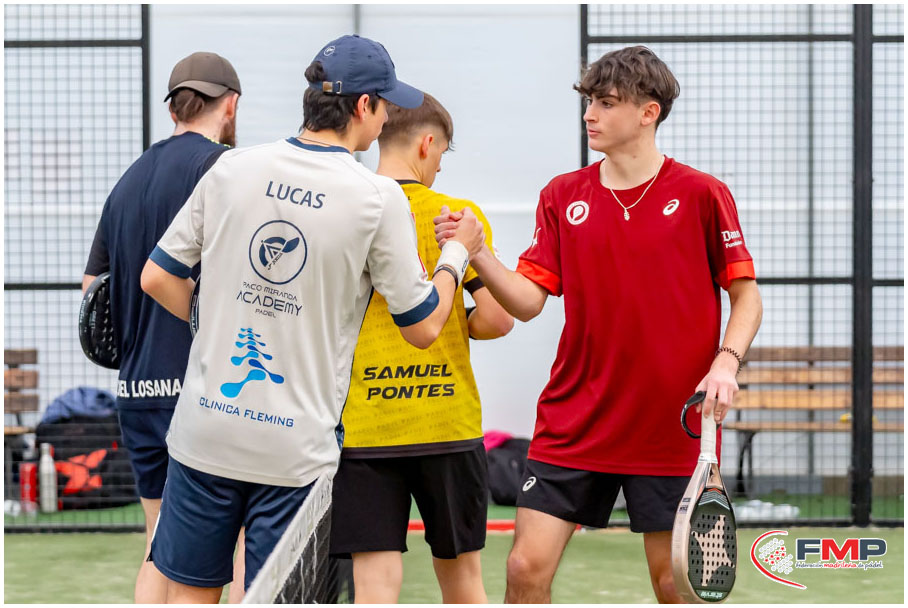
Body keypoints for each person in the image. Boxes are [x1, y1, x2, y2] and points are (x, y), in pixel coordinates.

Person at [139, 34, 486, 604]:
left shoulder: (233, 168)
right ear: (363, 106)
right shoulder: (375, 197)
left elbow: (158, 277)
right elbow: (424, 325)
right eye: (384, 105)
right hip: (295, 451)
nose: (385, 120)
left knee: (188, 594)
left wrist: (215, 324)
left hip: (205, 429)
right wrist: (455, 255)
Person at [434, 46, 763, 603]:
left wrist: (725, 364)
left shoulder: (702, 194)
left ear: (648, 112)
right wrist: (478, 252)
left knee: (674, 582)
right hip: (575, 421)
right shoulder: (563, 195)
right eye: (589, 101)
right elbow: (528, 302)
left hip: (671, 427)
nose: (590, 114)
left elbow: (746, 295)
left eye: (606, 103)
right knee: (524, 568)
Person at [329, 93, 514, 603]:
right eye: (443, 153)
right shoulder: (458, 218)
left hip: (366, 427)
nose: (440, 165)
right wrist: (453, 323)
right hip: (447, 425)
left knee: (374, 587)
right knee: (463, 582)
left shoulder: (347, 211)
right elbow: (498, 319)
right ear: (428, 145)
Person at [82, 51, 241, 604]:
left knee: (159, 542)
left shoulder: (128, 181)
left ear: (173, 108)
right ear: (230, 105)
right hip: (204, 393)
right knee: (232, 547)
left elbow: (93, 290)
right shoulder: (223, 169)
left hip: (137, 392)